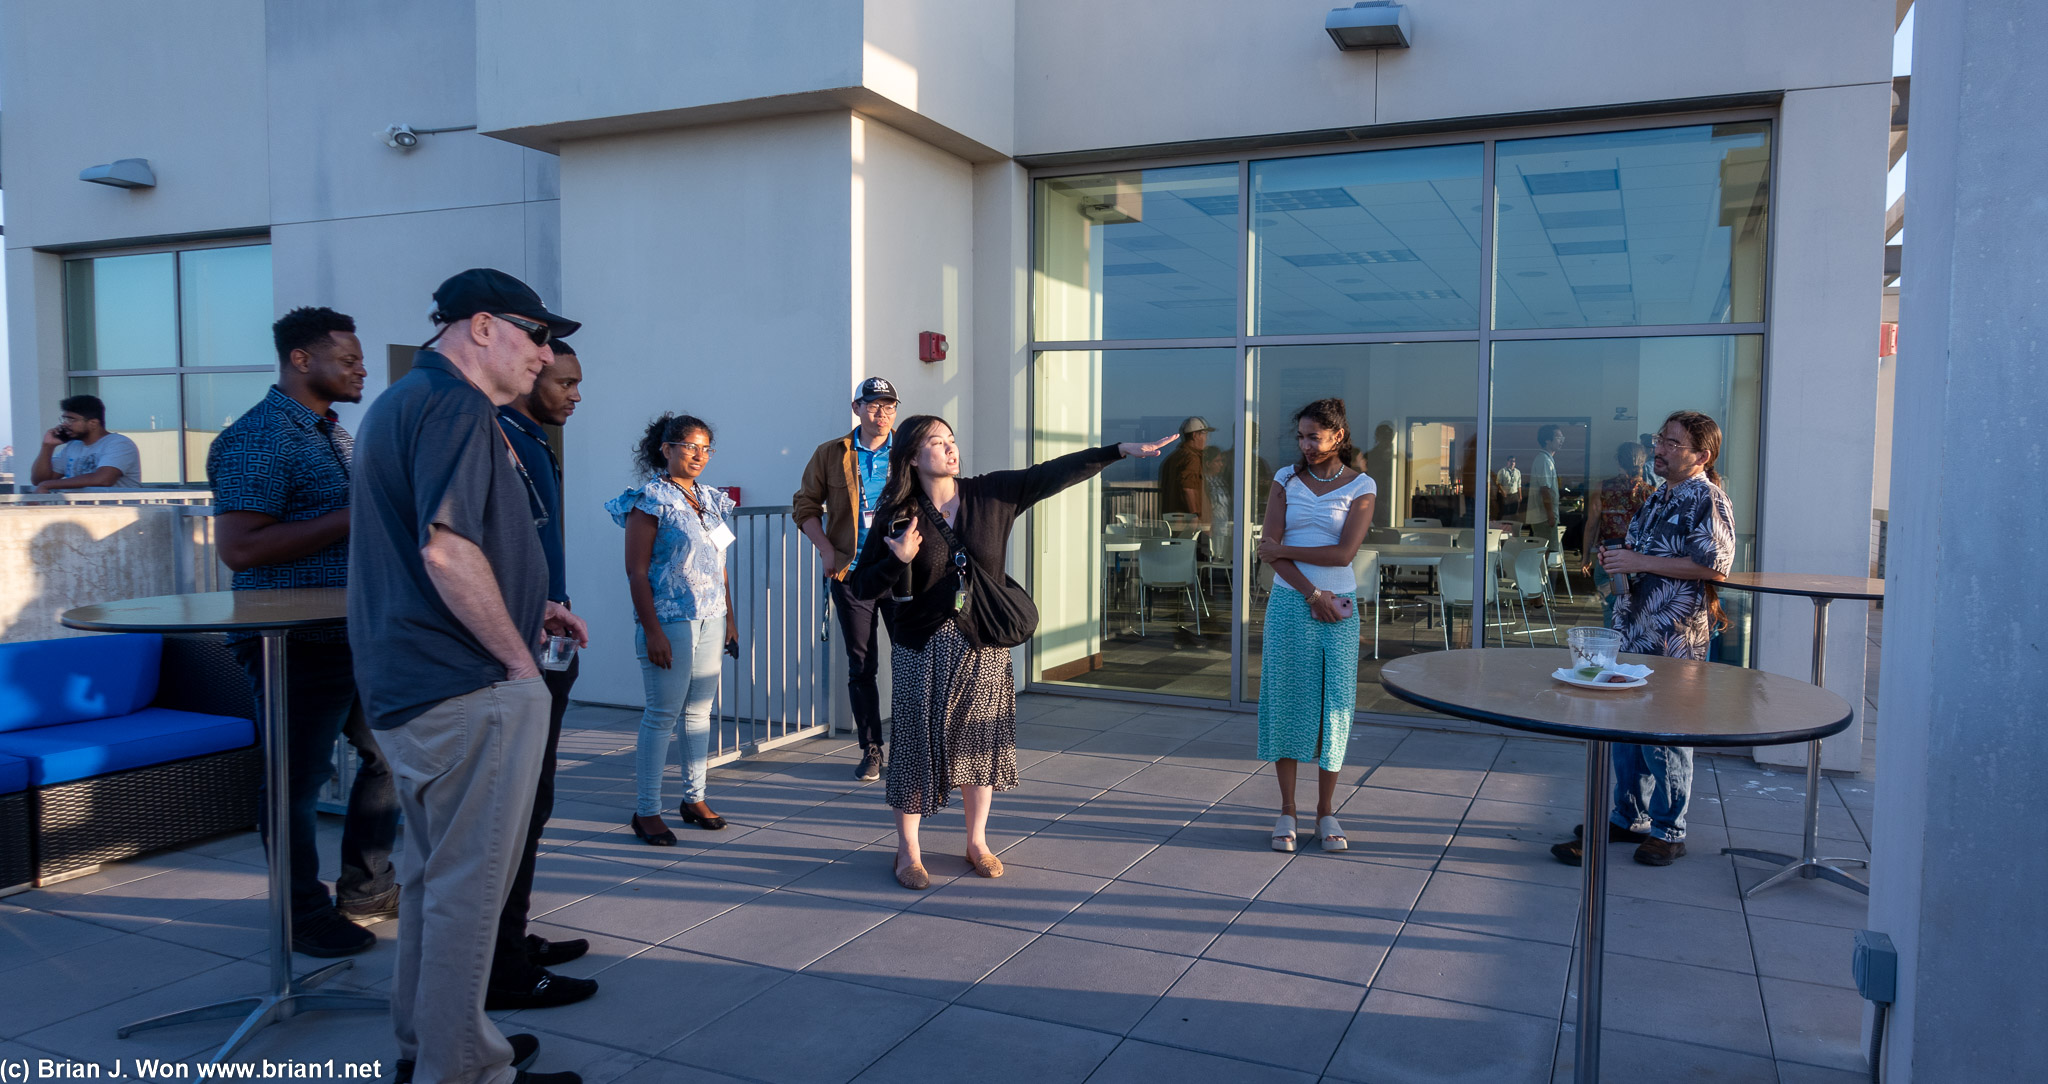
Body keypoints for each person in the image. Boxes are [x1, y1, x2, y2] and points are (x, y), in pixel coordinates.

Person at [350, 267, 587, 1084]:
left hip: (420, 684)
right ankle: (460, 1069)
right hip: (465, 687)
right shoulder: (452, 405)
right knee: (467, 893)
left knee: (430, 883)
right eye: (538, 334)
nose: (547, 354)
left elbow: (455, 546)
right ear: (481, 327)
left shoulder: (404, 402)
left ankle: (435, 1045)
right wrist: (520, 665)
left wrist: (532, 607)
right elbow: (446, 550)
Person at [850, 415, 1177, 890]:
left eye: (952, 440)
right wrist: (895, 560)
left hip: (983, 644)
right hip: (921, 647)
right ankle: (909, 850)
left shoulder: (991, 494)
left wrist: (1117, 451)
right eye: (936, 443)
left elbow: (1052, 472)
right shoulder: (898, 513)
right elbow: (861, 584)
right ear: (912, 456)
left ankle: (977, 842)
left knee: (979, 747)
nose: (950, 448)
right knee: (918, 746)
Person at [207, 307, 399, 957]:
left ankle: (368, 886)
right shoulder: (262, 437)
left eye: (360, 359)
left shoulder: (332, 434)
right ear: (300, 360)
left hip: (354, 632)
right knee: (295, 784)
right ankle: (300, 915)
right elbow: (239, 548)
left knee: (390, 757)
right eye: (347, 360)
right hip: (291, 639)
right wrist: (353, 517)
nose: (361, 370)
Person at [1551, 410, 1735, 869]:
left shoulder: (1706, 498)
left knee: (1665, 730)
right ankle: (1627, 815)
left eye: (1673, 443)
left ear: (1701, 456)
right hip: (1635, 629)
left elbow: (1716, 566)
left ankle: (1669, 830)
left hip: (1674, 636)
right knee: (1627, 728)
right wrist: (1618, 562)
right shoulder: (1658, 495)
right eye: (1660, 439)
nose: (1660, 449)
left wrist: (1639, 562)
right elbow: (1643, 558)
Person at [486, 339, 598, 1011]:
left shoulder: (529, 439)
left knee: (535, 803)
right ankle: (500, 965)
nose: (574, 393)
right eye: (563, 380)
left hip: (543, 635)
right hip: (517, 649)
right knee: (514, 811)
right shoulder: (496, 438)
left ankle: (511, 941)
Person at [609, 413, 738, 846]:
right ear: (666, 450)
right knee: (662, 715)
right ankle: (646, 810)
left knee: (699, 713)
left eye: (706, 448)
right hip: (669, 620)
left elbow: (719, 565)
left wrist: (730, 620)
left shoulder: (711, 500)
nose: (699, 455)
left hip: (711, 617)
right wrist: (653, 631)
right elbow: (636, 572)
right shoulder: (648, 499)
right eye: (690, 446)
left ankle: (694, 798)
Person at [1253, 398, 1375, 854]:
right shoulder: (1285, 480)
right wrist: (1311, 594)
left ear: (1338, 436)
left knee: (1334, 706)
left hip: (1339, 607)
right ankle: (1288, 809)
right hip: (1291, 603)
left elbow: (1344, 554)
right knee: (1285, 701)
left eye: (1315, 437)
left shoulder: (1362, 485)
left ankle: (1327, 810)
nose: (1306, 445)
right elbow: (1269, 549)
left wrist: (1283, 552)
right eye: (1301, 437)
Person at [793, 377, 901, 781]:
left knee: (909, 660)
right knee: (862, 665)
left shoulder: (906, 454)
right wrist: (824, 549)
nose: (882, 413)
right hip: (851, 574)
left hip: (899, 573)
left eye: (889, 406)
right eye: (873, 405)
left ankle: (908, 747)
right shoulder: (831, 454)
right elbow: (804, 504)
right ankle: (871, 749)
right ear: (856, 408)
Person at [1580, 441, 1656, 627]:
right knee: (1637, 613)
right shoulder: (1651, 493)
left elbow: (1591, 525)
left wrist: (1585, 557)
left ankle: (1612, 652)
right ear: (1643, 462)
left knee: (1610, 612)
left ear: (1618, 462)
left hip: (1610, 558)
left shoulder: (1603, 487)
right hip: (1638, 561)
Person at [31, 395, 141, 491]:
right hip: (81, 512)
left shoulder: (119, 444)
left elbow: (103, 479)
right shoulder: (73, 446)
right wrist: (47, 446)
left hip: (117, 512)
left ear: (93, 423)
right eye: (64, 419)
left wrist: (47, 485)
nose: (65, 424)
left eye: (71, 420)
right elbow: (39, 481)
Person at [1158, 417, 1214, 521]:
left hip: (1173, 520)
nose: (1207, 439)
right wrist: (1195, 516)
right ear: (1195, 435)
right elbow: (1188, 488)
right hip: (1188, 523)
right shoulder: (1192, 458)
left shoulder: (1173, 458)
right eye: (1204, 434)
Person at [1524, 424, 1565, 551]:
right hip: (1543, 517)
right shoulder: (1544, 461)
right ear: (1547, 440)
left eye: (1562, 437)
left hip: (1544, 516)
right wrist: (1550, 515)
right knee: (1545, 552)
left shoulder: (1547, 459)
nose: (1561, 441)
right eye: (1558, 437)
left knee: (1546, 552)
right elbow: (1544, 490)